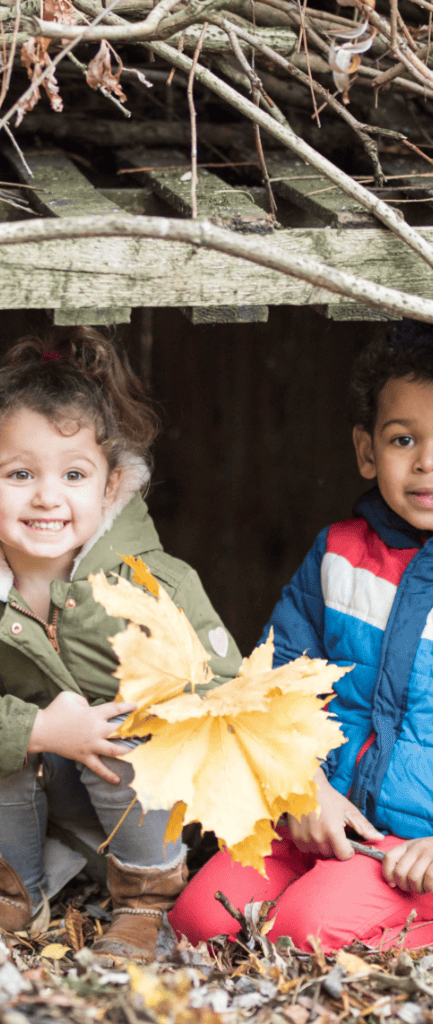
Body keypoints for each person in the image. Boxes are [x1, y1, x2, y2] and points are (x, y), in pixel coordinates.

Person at [0, 328, 242, 962]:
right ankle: (10, 891)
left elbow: (220, 684)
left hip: (142, 805)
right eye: (19, 473)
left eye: (74, 474)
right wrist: (41, 729)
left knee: (129, 730)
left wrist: (138, 720)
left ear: (110, 488)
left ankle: (145, 903)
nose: (48, 496)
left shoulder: (150, 579)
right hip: (39, 800)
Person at [170, 322, 433, 953]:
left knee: (303, 933)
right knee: (200, 921)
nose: (427, 462)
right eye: (404, 440)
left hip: (415, 851)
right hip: (316, 818)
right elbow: (273, 681)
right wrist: (302, 786)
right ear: (367, 451)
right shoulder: (337, 555)